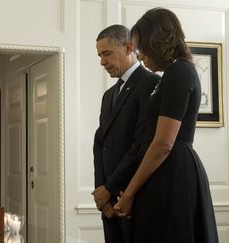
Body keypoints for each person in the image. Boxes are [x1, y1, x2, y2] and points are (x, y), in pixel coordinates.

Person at [114, 8, 219, 243]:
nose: (140, 56)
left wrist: (129, 193)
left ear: (157, 40)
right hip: (165, 171)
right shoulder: (174, 72)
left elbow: (162, 144)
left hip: (173, 173)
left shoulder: (178, 72)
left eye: (141, 47)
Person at [92, 25, 160, 243]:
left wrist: (110, 188)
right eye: (100, 55)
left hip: (135, 199)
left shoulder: (151, 83)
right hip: (109, 203)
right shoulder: (107, 95)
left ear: (129, 47)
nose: (102, 62)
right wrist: (102, 196)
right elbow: (100, 144)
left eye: (107, 54)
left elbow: (142, 144)